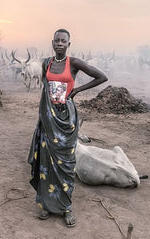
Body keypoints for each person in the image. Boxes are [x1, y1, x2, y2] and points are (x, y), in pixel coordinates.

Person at [28, 28, 108, 227]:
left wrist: (76, 91)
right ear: (52, 42)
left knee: (66, 164)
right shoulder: (47, 62)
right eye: (57, 40)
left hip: (66, 119)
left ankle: (65, 207)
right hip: (48, 119)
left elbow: (101, 77)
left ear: (68, 44)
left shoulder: (74, 63)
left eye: (64, 41)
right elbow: (45, 90)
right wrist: (43, 116)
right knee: (47, 162)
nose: (60, 44)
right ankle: (47, 204)